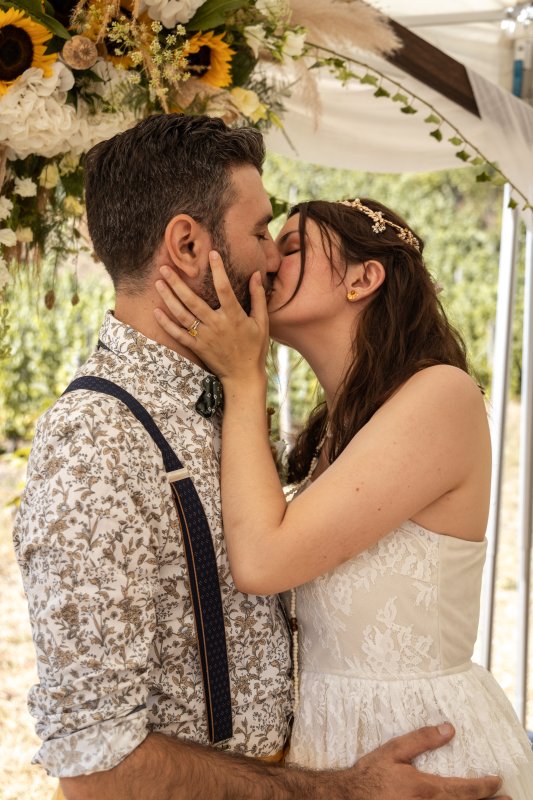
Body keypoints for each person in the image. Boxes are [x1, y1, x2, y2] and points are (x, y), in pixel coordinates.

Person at [13, 114, 507, 800]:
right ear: (186, 243)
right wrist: (337, 790)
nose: (271, 258)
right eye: (260, 234)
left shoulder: (230, 405)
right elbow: (98, 762)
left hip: (400, 759)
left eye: (287, 243)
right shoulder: (95, 441)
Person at [152, 195, 533, 799]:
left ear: (364, 278)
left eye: (295, 244)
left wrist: (243, 375)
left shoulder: (442, 395)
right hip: (332, 755)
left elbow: (261, 561)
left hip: (424, 754)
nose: (270, 259)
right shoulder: (339, 428)